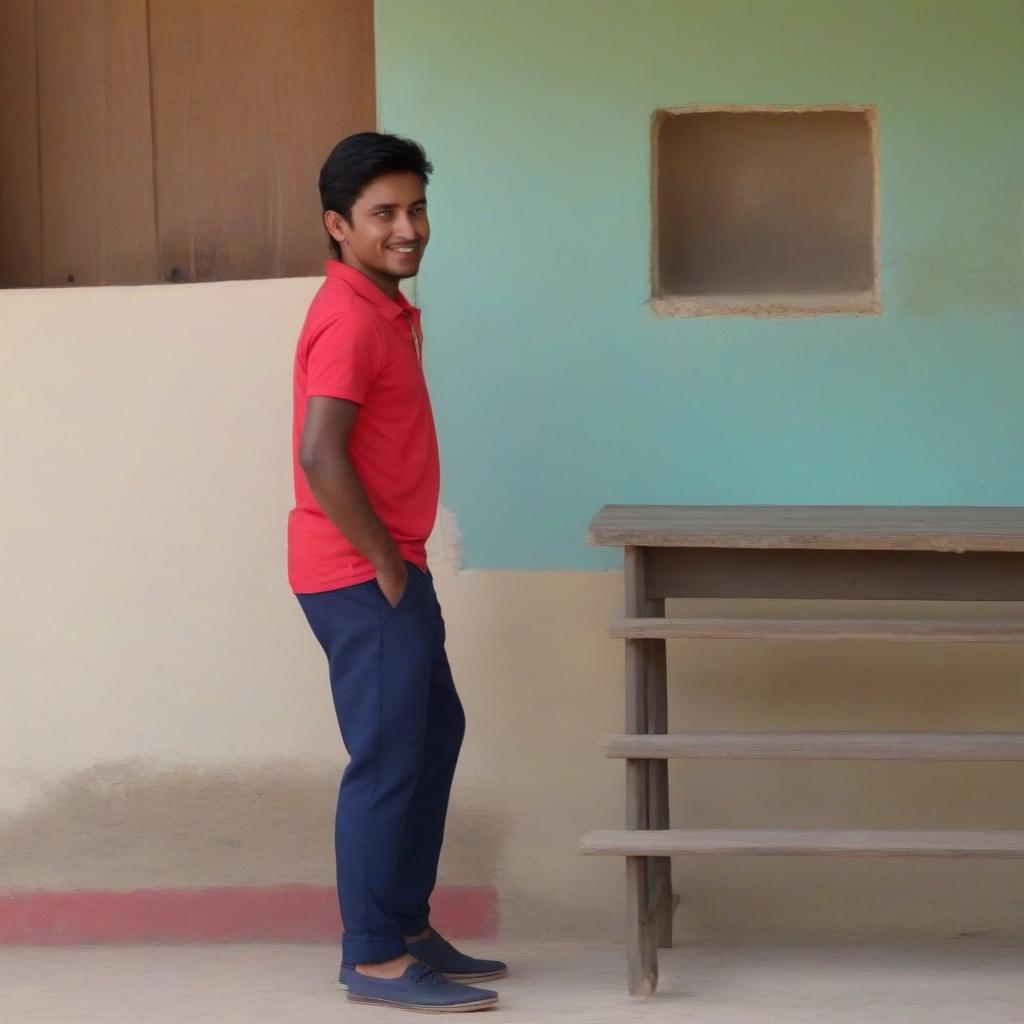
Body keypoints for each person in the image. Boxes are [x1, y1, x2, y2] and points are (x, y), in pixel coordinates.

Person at [287, 132, 506, 1013]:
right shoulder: (349, 318)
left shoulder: (382, 309)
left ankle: (407, 928)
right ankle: (374, 957)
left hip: (389, 567)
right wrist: (382, 560)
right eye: (383, 213)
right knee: (387, 761)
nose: (407, 227)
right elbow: (320, 452)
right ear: (339, 226)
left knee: (432, 737)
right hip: (359, 573)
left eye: (416, 208)